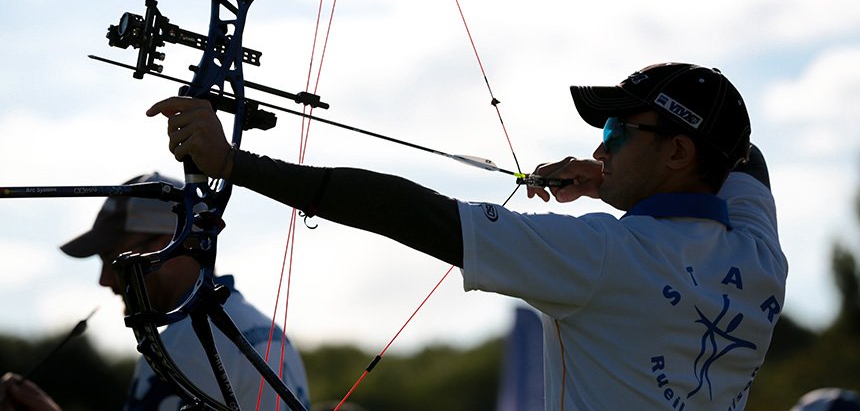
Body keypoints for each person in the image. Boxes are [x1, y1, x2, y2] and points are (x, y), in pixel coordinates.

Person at [146, 62, 788, 410]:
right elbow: (743, 158)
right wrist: (612, 176)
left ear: (678, 152)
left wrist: (236, 165)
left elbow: (407, 211)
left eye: (618, 133)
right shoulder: (759, 256)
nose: (601, 144)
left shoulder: (604, 258)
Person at [1, 173, 310, 411]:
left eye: (113, 259)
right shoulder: (264, 329)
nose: (105, 280)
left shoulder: (183, 347)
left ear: (168, 244)